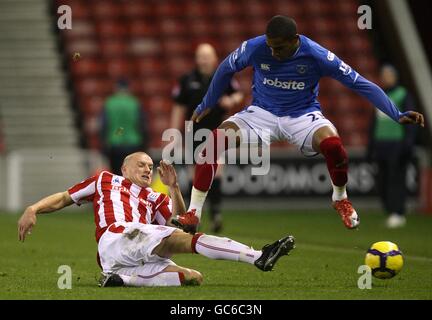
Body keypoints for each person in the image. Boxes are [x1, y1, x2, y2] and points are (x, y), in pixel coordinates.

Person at [186, 15, 425, 230]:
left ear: (295, 40)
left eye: (279, 48)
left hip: (302, 116)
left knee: (334, 146)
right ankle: (193, 214)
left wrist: (395, 113)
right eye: (271, 47)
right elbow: (226, 68)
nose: (274, 53)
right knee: (213, 143)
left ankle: (340, 197)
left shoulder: (317, 55)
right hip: (261, 114)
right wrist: (208, 101)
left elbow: (358, 82)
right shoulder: (256, 47)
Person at [17, 152, 295, 287]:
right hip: (118, 235)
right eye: (141, 165)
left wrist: (174, 188)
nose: (148, 169)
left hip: (130, 253)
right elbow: (66, 196)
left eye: (151, 167)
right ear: (124, 167)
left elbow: (187, 224)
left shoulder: (155, 197)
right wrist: (33, 208)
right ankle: (257, 256)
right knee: (187, 243)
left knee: (192, 278)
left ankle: (121, 280)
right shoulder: (105, 180)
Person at [171, 43, 244, 233]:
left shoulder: (223, 77)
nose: (203, 60)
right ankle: (192, 216)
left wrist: (232, 100)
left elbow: (238, 94)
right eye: (200, 56)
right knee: (194, 174)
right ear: (196, 59)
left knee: (216, 172)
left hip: (216, 130)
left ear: (214, 59)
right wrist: (173, 134)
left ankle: (216, 215)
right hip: (192, 131)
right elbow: (178, 107)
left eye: (207, 56)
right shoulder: (187, 79)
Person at [368, 65, 418, 228]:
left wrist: (408, 143)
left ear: (395, 77)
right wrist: (371, 146)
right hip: (381, 144)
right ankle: (390, 210)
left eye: (389, 75)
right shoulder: (379, 95)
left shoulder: (403, 94)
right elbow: (374, 122)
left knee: (396, 179)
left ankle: (398, 212)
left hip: (397, 143)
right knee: (382, 180)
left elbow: (410, 120)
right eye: (383, 75)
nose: (386, 78)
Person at [101, 78, 149, 175]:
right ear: (128, 88)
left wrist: (104, 143)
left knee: (117, 176)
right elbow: (142, 124)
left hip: (115, 143)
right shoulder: (134, 103)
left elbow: (104, 125)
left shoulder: (110, 103)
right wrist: (145, 143)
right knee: (133, 175)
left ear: (116, 88)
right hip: (133, 143)